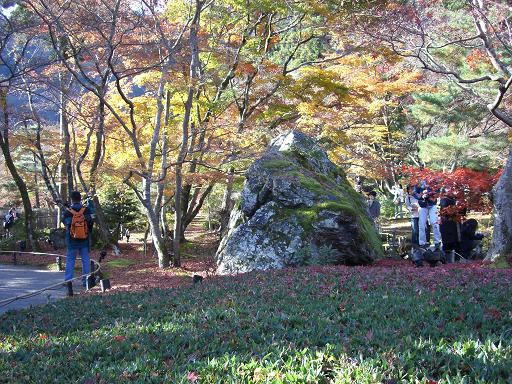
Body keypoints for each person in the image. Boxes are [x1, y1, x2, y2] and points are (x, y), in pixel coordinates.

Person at [63, 191, 93, 294]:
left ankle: (68, 282)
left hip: (72, 240)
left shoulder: (68, 211)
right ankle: (86, 281)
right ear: (80, 198)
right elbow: (90, 222)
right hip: (84, 240)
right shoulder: (86, 210)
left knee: (70, 260)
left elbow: (66, 225)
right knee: (85, 260)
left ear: (71, 199)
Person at [414, 180, 441, 249]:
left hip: (432, 204)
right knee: (422, 225)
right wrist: (421, 196)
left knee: (434, 222)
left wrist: (429, 194)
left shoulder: (434, 182)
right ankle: (422, 243)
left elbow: (438, 192)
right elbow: (415, 193)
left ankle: (437, 242)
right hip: (422, 205)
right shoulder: (418, 182)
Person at [439, 187, 460, 263]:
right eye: (449, 189)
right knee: (448, 242)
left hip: (453, 223)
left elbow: (462, 212)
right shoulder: (444, 200)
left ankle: (454, 259)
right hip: (446, 224)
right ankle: (446, 260)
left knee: (455, 241)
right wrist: (455, 206)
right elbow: (446, 212)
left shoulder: (455, 200)